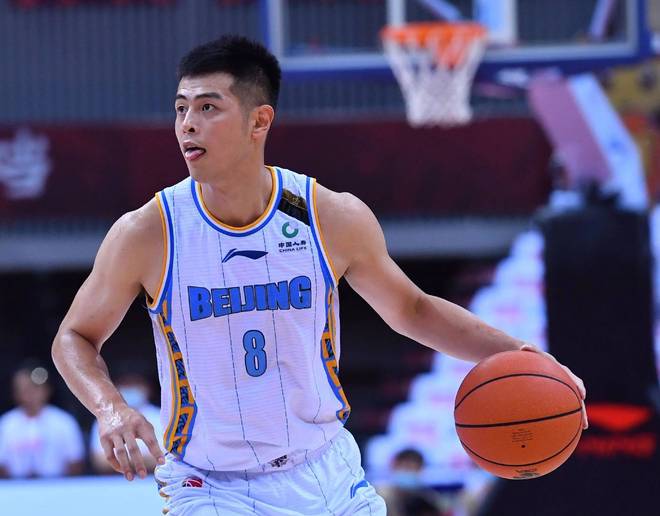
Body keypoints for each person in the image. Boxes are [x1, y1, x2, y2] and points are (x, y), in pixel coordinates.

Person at [51, 35, 587, 515]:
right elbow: (73, 337)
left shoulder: (328, 216)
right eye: (180, 108)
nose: (187, 124)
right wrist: (110, 408)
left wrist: (526, 356)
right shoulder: (149, 232)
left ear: (259, 121)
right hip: (211, 484)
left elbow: (413, 310)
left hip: (326, 473)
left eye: (208, 107)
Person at [0, 363, 85, 478]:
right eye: (22, 390)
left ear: (46, 390)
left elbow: (75, 462)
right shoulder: (6, 424)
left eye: (32, 388)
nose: (28, 395)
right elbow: (2, 465)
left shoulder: (63, 422)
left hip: (57, 483)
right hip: (16, 485)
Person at [89, 370, 163, 474]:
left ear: (147, 387)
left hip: (154, 476)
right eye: (126, 384)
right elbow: (100, 461)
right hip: (116, 479)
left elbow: (167, 458)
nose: (130, 388)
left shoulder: (161, 416)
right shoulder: (105, 419)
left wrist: (125, 461)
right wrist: (144, 460)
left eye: (134, 383)